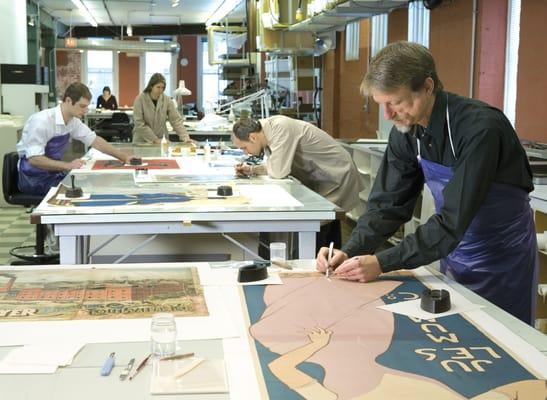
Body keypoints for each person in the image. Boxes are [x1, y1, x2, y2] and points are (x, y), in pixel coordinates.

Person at [316, 41, 538, 325]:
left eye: (395, 102)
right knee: (460, 332)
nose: (388, 115)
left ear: (428, 87)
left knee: (507, 342)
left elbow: (452, 220)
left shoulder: (480, 128)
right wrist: (353, 249)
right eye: (381, 104)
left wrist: (382, 262)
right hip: (452, 250)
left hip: (501, 257)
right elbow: (387, 205)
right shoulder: (406, 131)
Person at [232, 115, 363, 248]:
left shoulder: (280, 128)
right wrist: (252, 169)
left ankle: (320, 262)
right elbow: (278, 165)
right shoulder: (266, 134)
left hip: (336, 172)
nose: (246, 153)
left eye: (244, 147)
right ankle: (331, 263)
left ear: (253, 137)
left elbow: (278, 171)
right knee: (329, 221)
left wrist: (256, 169)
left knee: (320, 221)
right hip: (323, 175)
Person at [16, 82, 135, 196]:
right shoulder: (42, 121)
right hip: (33, 178)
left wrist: (123, 157)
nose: (85, 111)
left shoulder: (73, 122)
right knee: (84, 189)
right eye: (82, 106)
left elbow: (95, 141)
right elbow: (35, 159)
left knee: (93, 182)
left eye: (86, 107)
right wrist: (67, 165)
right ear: (68, 101)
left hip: (53, 173)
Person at [132, 73, 190, 144]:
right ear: (151, 86)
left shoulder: (167, 100)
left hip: (162, 140)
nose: (161, 90)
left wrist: (186, 138)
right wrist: (155, 139)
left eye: (163, 88)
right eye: (158, 87)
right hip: (142, 141)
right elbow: (139, 123)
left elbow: (176, 121)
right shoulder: (140, 99)